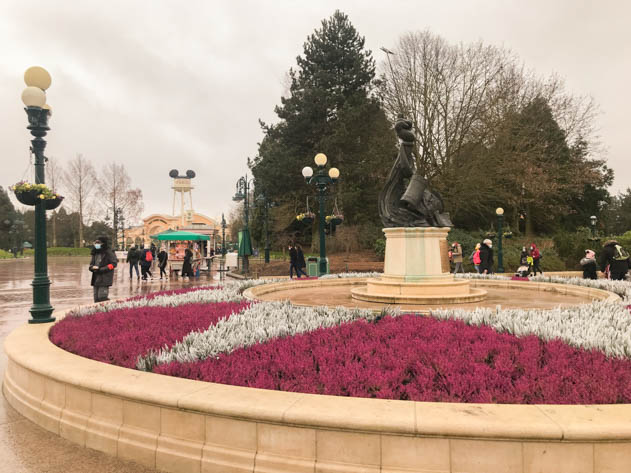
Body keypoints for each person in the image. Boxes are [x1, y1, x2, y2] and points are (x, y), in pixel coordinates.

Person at [89, 236, 118, 302]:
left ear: (103, 243)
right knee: (96, 298)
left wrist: (102, 269)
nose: (97, 244)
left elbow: (114, 264)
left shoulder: (109, 252)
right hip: (96, 278)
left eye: (98, 243)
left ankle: (108, 310)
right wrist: (91, 268)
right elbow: (91, 264)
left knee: (102, 297)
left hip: (105, 278)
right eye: (95, 243)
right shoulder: (94, 252)